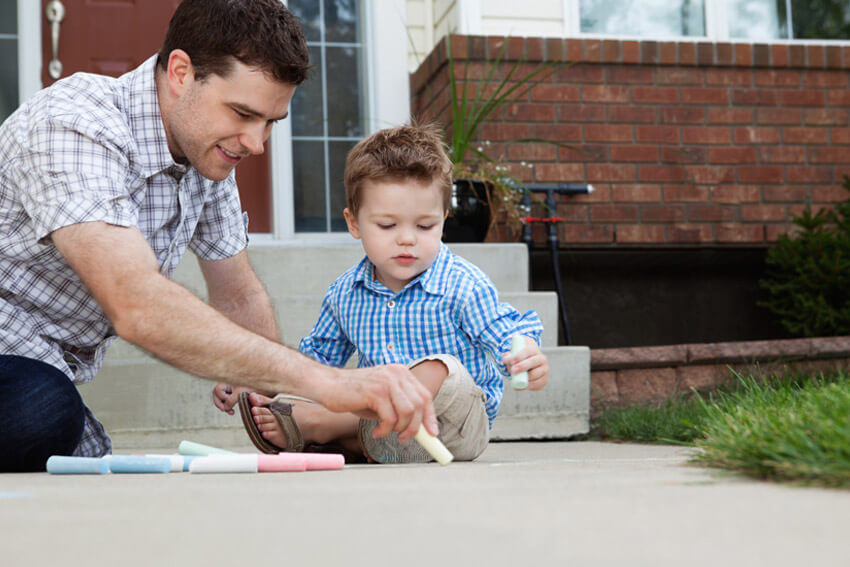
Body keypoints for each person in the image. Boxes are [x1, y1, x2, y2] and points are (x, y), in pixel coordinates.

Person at [0, 0, 437, 473]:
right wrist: (328, 383)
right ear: (182, 73)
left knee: (53, 413)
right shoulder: (72, 123)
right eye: (243, 113)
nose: (256, 143)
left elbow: (239, 295)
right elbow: (135, 303)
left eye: (270, 122)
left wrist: (292, 410)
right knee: (44, 407)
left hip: (37, 369)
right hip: (20, 363)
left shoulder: (207, 162)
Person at [221, 124, 550, 463]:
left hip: (451, 428)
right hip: (391, 437)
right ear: (354, 223)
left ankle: (329, 426)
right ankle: (350, 438)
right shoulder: (344, 295)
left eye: (425, 226)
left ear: (443, 220)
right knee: (326, 386)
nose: (407, 239)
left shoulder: (463, 285)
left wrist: (524, 352)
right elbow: (314, 366)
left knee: (441, 368)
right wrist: (255, 382)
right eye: (388, 225)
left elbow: (506, 331)